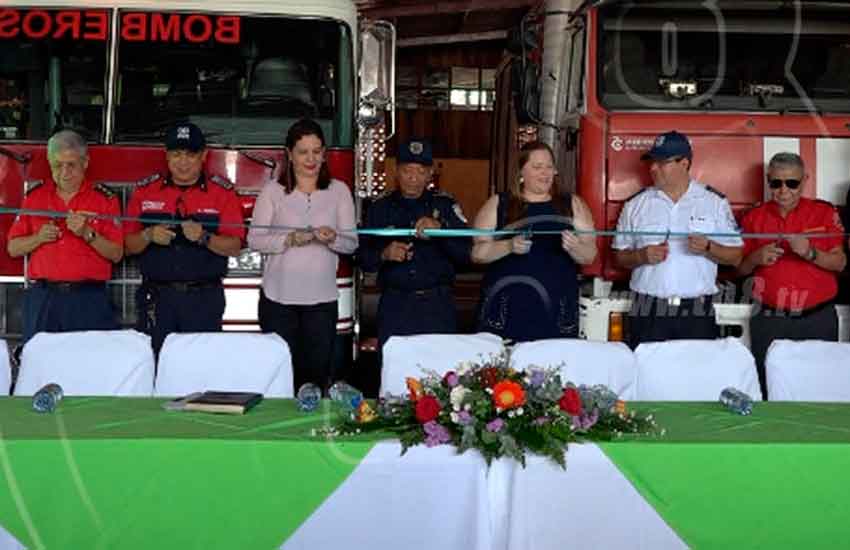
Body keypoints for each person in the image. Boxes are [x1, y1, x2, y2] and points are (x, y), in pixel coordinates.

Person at [247, 119, 357, 391]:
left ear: (324, 153)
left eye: (317, 151)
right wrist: (288, 239)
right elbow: (254, 239)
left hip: (322, 302)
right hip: (278, 301)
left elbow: (351, 243)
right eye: (303, 152)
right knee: (281, 374)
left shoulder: (339, 190)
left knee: (317, 377)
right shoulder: (273, 191)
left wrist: (333, 238)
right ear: (289, 154)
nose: (311, 159)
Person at [613, 130, 743, 349]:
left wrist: (708, 248)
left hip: (696, 311)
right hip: (648, 309)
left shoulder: (713, 202)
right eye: (652, 162)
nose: (653, 168)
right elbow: (619, 257)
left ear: (684, 163)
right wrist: (641, 255)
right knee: (646, 377)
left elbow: (736, 257)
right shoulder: (636, 205)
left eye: (662, 163)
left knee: (696, 378)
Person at [124, 123, 244, 354]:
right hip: (157, 300)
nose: (183, 162)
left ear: (204, 156)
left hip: (204, 300)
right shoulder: (145, 191)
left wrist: (204, 237)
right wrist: (148, 235)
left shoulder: (223, 194)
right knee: (155, 365)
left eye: (190, 155)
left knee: (201, 368)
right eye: (176, 154)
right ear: (167, 156)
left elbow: (235, 247)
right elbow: (127, 247)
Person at [738, 152, 846, 397]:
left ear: (805, 180)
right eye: (776, 183)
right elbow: (739, 269)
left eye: (792, 183)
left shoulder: (824, 213)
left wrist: (810, 252)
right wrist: (755, 258)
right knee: (767, 388)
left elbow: (840, 263)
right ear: (768, 180)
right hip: (769, 319)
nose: (783, 190)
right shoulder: (754, 217)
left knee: (822, 389)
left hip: (817, 319)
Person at [472, 140, 597, 341]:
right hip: (507, 306)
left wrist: (575, 248)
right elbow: (477, 254)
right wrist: (508, 245)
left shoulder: (572, 204)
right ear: (521, 171)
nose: (545, 173)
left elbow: (589, 255)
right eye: (537, 167)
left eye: (549, 167)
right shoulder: (499, 203)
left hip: (557, 306)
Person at [7, 129, 123, 343]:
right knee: (40, 366)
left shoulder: (104, 199)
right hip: (44, 298)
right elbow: (13, 248)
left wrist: (87, 233)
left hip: (88, 299)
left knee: (89, 366)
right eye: (57, 166)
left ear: (85, 162)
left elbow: (117, 254)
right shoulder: (34, 197)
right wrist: (38, 238)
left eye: (71, 165)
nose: (64, 172)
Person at [361, 138, 471, 347]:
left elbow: (466, 254)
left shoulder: (445, 206)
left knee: (440, 374)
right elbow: (362, 258)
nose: (413, 179)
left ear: (430, 174)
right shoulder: (380, 208)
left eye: (421, 172)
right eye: (407, 171)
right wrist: (384, 254)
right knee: (394, 372)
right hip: (396, 305)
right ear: (396, 171)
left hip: (437, 305)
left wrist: (441, 231)